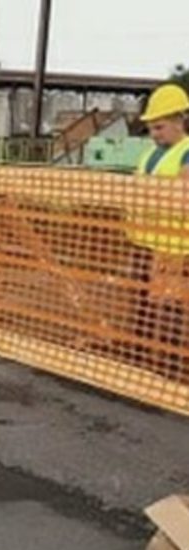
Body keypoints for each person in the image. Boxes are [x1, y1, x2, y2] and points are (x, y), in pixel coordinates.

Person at [130, 83, 189, 380]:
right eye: (152, 128)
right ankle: (141, 357)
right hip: (142, 241)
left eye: (160, 127)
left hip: (173, 246)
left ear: (179, 121)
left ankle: (167, 367)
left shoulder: (186, 154)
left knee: (167, 306)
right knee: (141, 302)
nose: (154, 134)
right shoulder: (149, 154)